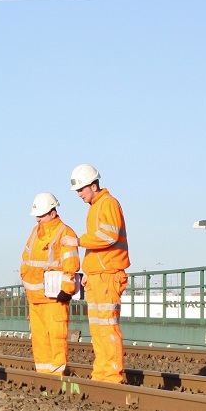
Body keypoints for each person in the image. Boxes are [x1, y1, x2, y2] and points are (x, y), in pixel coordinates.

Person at [61, 164, 129, 384]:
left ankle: (111, 377)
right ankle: (102, 375)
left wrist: (78, 241)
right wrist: (90, 271)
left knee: (107, 327)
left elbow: (108, 237)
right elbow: (101, 244)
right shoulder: (96, 207)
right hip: (100, 275)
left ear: (93, 185)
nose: (79, 194)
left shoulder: (107, 204)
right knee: (99, 329)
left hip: (109, 275)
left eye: (81, 190)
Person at [20, 192, 80, 375]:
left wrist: (67, 289)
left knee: (56, 338)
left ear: (53, 213)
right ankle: (44, 377)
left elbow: (71, 263)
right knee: (40, 341)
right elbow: (26, 257)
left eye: (42, 216)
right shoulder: (34, 233)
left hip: (54, 299)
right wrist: (25, 276)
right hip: (36, 299)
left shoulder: (65, 232)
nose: (38, 219)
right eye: (37, 216)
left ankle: (57, 376)